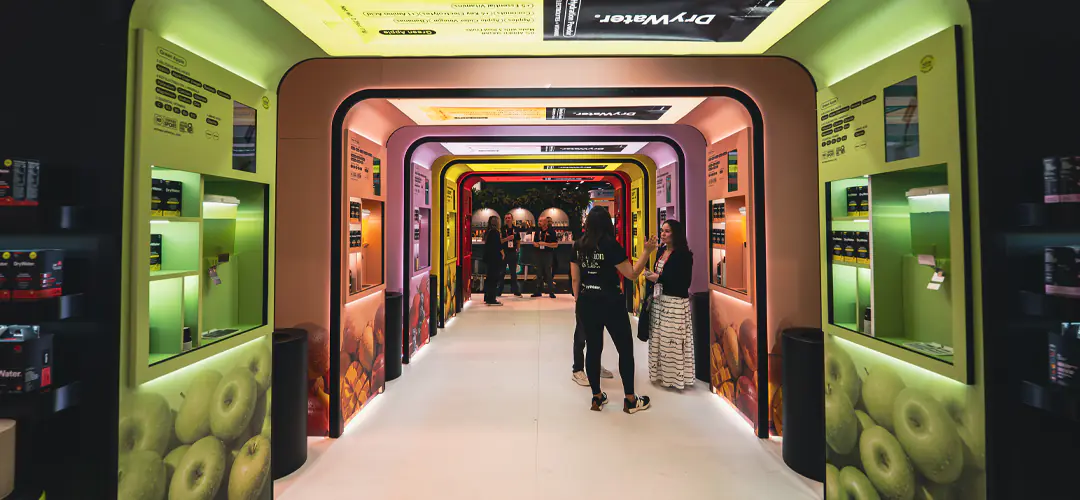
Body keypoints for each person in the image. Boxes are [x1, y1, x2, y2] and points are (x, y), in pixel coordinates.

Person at [571, 206, 657, 413]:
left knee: (593, 349)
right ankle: (629, 399)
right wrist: (647, 251)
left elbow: (575, 278)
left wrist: (578, 300)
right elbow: (632, 274)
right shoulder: (611, 245)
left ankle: (597, 397)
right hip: (611, 302)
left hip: (586, 301)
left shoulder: (578, 245)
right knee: (625, 349)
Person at [643, 219, 695, 389]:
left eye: (666, 231)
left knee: (672, 342)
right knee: (659, 340)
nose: (662, 234)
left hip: (675, 305)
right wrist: (652, 277)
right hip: (659, 302)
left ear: (676, 234)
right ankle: (660, 375)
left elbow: (683, 283)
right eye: (662, 230)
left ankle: (675, 378)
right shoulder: (660, 252)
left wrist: (658, 278)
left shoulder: (684, 255)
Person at [532, 216, 558, 298]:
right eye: (538, 221)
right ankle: (538, 291)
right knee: (538, 272)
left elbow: (556, 244)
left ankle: (551, 291)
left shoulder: (551, 231)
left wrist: (545, 244)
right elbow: (535, 242)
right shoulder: (537, 231)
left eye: (541, 221)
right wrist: (536, 244)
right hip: (539, 253)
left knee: (548, 272)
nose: (539, 222)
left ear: (545, 222)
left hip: (548, 254)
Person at [498, 213, 522, 298]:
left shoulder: (516, 229)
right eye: (506, 218)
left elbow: (518, 240)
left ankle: (515, 290)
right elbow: (499, 241)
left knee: (513, 273)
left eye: (509, 218)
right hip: (504, 253)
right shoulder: (502, 229)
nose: (507, 219)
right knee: (502, 272)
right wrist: (507, 239)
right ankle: (499, 290)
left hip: (513, 252)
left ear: (512, 219)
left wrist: (517, 250)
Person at [483, 215, 504, 306]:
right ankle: (491, 298)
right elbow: (498, 245)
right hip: (494, 258)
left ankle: (487, 296)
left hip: (488, 258)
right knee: (494, 278)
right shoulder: (495, 232)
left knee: (489, 278)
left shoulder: (488, 232)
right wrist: (502, 253)